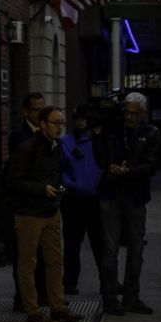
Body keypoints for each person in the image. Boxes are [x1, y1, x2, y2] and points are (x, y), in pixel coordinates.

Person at [5, 106, 83, 322]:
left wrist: (56, 193)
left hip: (50, 211)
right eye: (55, 122)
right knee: (28, 262)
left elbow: (56, 174)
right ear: (43, 124)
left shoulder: (55, 147)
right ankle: (33, 310)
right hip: (29, 213)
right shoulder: (28, 148)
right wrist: (42, 189)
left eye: (62, 123)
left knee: (55, 260)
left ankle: (57, 306)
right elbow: (13, 181)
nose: (60, 127)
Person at [93, 92, 160, 316]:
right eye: (126, 112)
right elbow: (100, 154)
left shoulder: (151, 133)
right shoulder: (113, 129)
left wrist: (129, 170)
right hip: (111, 192)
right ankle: (110, 298)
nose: (129, 117)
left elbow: (151, 165)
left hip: (135, 194)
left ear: (142, 114)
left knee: (136, 248)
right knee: (110, 249)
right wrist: (109, 167)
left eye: (134, 113)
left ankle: (132, 296)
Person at [5, 92, 48, 310]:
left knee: (42, 253)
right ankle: (22, 297)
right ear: (25, 112)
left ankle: (40, 295)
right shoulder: (20, 135)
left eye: (43, 108)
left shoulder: (46, 133)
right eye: (36, 109)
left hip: (42, 203)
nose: (40, 113)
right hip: (25, 203)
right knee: (25, 255)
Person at [58, 106, 105, 297]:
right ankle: (70, 282)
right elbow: (61, 168)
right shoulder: (66, 142)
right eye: (77, 118)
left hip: (92, 198)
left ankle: (105, 281)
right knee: (73, 244)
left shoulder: (95, 141)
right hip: (75, 199)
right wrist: (70, 185)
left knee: (99, 244)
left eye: (83, 119)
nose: (80, 122)